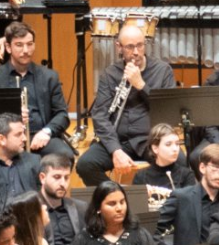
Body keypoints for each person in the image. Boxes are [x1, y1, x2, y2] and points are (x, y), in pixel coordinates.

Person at [76, 24, 179, 187]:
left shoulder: (162, 71)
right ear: (119, 47)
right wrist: (115, 150)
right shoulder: (110, 74)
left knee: (179, 161)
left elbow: (169, 110)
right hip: (118, 140)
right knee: (85, 164)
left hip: (150, 140)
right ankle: (117, 196)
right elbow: (100, 116)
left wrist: (141, 85)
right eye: (130, 47)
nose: (136, 52)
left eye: (140, 45)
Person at [0, 22, 73, 159]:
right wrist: (11, 120)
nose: (26, 50)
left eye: (30, 44)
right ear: (8, 47)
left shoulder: (49, 76)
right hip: (6, 137)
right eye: (19, 45)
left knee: (65, 156)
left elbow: (62, 114)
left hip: (39, 135)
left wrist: (46, 132)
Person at [38, 154, 87, 245]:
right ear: (42, 178)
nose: (62, 183)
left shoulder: (81, 207)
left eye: (66, 177)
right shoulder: (30, 210)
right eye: (57, 177)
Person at [132, 123, 195, 209]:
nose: (175, 149)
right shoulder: (141, 176)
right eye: (168, 144)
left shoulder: (187, 174)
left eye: (177, 144)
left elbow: (189, 207)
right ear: (155, 148)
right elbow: (136, 208)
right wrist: (142, 195)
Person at [188, 69, 219, 178]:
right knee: (196, 156)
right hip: (216, 132)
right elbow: (208, 119)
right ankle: (209, 193)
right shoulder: (213, 82)